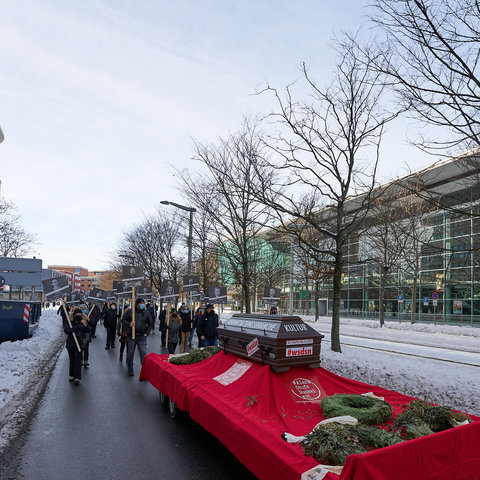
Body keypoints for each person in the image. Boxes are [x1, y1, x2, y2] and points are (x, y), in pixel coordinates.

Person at [122, 298, 153, 376]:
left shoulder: (146, 312)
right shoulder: (130, 312)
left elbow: (150, 323)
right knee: (130, 354)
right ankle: (130, 370)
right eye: (141, 303)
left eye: (143, 303)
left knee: (143, 354)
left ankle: (144, 372)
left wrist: (147, 333)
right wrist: (129, 324)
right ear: (137, 304)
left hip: (142, 336)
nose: (142, 304)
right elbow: (123, 320)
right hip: (131, 336)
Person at [63, 306, 90, 385]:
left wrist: (85, 325)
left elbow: (88, 331)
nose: (78, 316)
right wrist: (76, 327)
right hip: (71, 343)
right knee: (72, 360)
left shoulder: (83, 321)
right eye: (77, 314)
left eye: (80, 314)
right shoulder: (69, 321)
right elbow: (67, 331)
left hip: (80, 343)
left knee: (78, 360)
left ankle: (77, 377)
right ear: (74, 315)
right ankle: (71, 375)